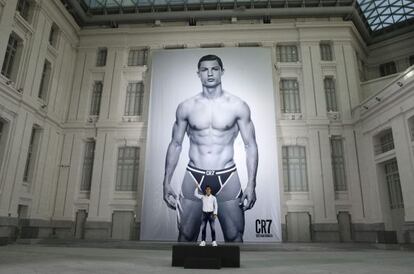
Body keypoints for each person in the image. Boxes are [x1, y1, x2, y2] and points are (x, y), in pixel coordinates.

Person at [162, 54, 258, 242]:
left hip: (227, 176)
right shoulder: (186, 107)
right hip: (194, 176)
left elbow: (250, 145)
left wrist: (252, 183)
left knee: (235, 236)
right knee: (186, 236)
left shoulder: (238, 106)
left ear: (222, 71)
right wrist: (166, 182)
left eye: (214, 69)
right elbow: (175, 144)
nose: (210, 73)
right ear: (198, 74)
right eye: (205, 70)